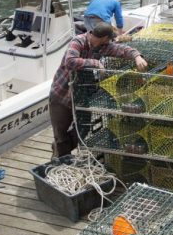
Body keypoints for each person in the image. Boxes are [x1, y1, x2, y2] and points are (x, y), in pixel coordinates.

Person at [48, 22, 147, 157]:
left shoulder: (103, 46)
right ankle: (61, 160)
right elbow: (70, 61)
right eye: (110, 38)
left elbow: (122, 50)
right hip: (61, 95)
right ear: (105, 37)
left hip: (81, 96)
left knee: (84, 127)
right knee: (60, 133)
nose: (110, 41)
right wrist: (95, 63)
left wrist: (137, 56)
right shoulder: (78, 41)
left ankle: (60, 149)